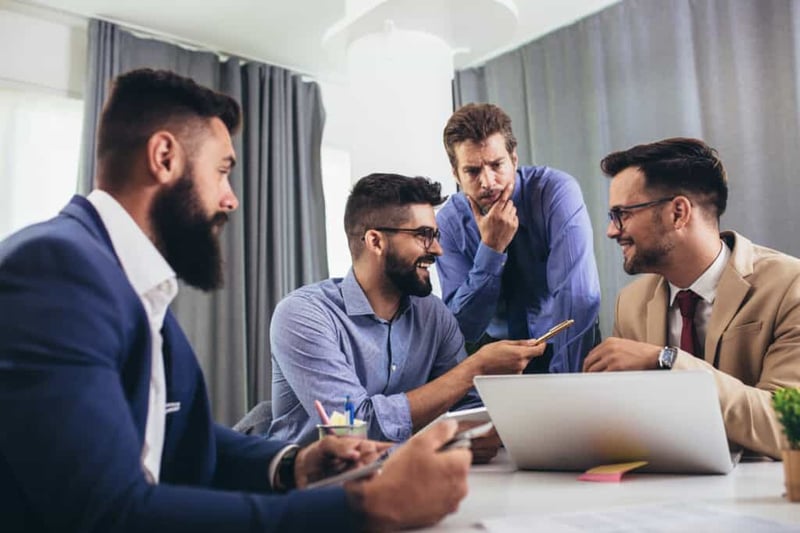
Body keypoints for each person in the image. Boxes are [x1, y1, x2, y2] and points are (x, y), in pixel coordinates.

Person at [0, 68, 472, 532]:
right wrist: (365, 509)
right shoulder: (56, 270)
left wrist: (293, 464)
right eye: (222, 172)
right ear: (164, 157)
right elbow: (102, 512)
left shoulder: (128, 281)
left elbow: (183, 439)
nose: (231, 199)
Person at [267, 173, 545, 446]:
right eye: (424, 235)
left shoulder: (434, 316)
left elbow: (465, 409)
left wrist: (476, 430)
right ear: (375, 241)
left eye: (435, 235)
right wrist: (476, 367)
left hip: (410, 479)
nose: (438, 250)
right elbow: (354, 431)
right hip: (313, 487)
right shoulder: (303, 316)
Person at [583, 137, 800, 459]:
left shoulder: (789, 287)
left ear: (678, 212)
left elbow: (789, 428)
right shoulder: (630, 304)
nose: (611, 231)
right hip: (661, 492)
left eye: (622, 214)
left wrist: (667, 361)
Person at [436, 103, 601, 373]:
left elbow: (577, 297)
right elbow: (463, 327)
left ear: (514, 159)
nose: (487, 182)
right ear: (455, 174)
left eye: (496, 165)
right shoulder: (449, 223)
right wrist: (491, 248)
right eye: (473, 171)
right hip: (496, 353)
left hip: (565, 340)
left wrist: (567, 386)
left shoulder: (555, 193)